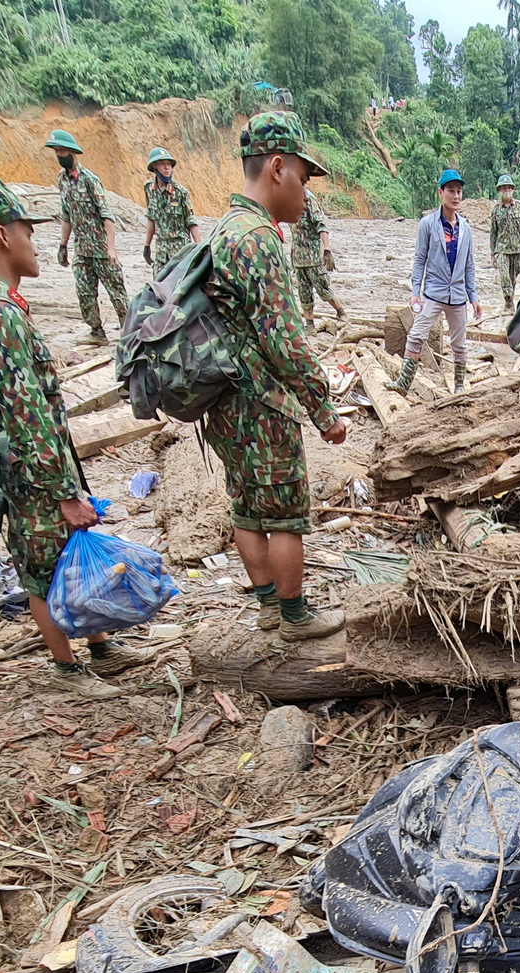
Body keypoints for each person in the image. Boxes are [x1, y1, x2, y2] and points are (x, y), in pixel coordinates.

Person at [0, 179, 155, 699]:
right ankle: (66, 669)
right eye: (26, 230)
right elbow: (25, 413)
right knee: (43, 565)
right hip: (29, 470)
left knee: (62, 554)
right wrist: (63, 492)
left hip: (34, 463)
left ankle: (100, 647)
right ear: (1, 235)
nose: (34, 242)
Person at [199, 114, 351, 642]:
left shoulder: (224, 229)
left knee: (245, 503)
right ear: (278, 168)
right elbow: (285, 342)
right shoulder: (259, 238)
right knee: (286, 511)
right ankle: (294, 616)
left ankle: (266, 604)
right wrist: (322, 407)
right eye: (305, 181)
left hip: (222, 400)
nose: (306, 195)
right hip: (262, 402)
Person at [391, 167, 479, 394]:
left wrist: (474, 297)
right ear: (440, 193)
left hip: (458, 295)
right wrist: (415, 292)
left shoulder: (466, 229)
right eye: (451, 190)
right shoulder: (428, 225)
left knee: (459, 345)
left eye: (459, 191)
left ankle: (459, 387)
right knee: (416, 336)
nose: (456, 196)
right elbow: (420, 260)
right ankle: (403, 384)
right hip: (434, 293)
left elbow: (469, 265)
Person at [49, 130, 128, 345]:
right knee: (84, 292)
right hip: (82, 249)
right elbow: (66, 214)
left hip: (101, 249)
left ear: (73, 152)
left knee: (117, 292)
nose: (59, 155)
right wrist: (62, 245)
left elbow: (107, 215)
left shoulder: (90, 180)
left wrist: (111, 248)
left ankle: (129, 333)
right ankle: (96, 332)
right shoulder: (62, 180)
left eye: (62, 151)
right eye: (56, 151)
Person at [288, 186, 344, 330]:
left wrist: (327, 248)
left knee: (323, 288)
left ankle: (341, 312)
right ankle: (310, 326)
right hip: (298, 257)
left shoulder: (308, 199)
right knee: (303, 292)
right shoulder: (287, 198)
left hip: (313, 256)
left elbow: (321, 225)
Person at [142, 147, 198, 276]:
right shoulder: (149, 189)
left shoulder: (180, 192)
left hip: (180, 252)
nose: (167, 168)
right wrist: (146, 246)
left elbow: (191, 221)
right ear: (154, 167)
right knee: (157, 288)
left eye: (169, 164)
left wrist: (199, 247)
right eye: (163, 164)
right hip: (161, 253)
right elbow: (151, 218)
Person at [491, 173, 520, 315]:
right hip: (501, 249)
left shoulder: (519, 207)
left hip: (516, 249)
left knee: (513, 277)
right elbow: (493, 232)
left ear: (512, 189)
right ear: (499, 190)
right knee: (504, 277)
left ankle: (511, 302)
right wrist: (492, 254)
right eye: (503, 188)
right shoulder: (496, 210)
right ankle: (508, 302)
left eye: (509, 187)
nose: (506, 190)